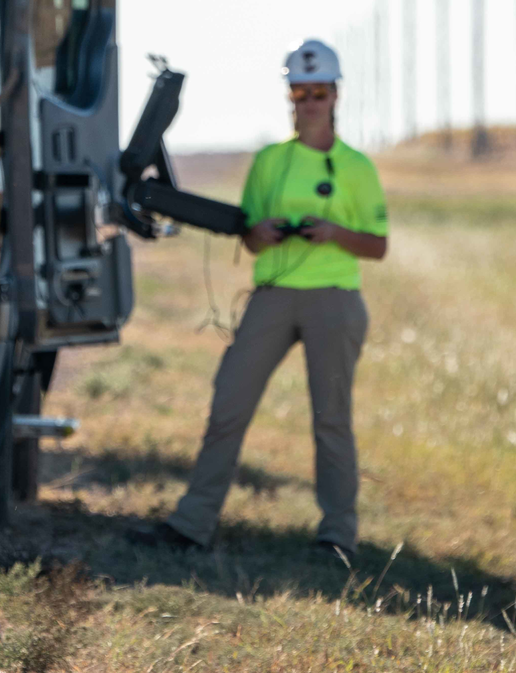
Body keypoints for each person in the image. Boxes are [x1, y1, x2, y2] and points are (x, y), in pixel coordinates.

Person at [129, 39, 388, 560]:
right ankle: (192, 524)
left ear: (335, 95)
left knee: (331, 419)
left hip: (333, 300)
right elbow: (247, 235)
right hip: (272, 297)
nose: (308, 101)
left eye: (318, 92)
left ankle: (338, 536)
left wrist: (334, 232)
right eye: (299, 91)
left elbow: (378, 245)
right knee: (228, 404)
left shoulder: (357, 166)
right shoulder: (269, 161)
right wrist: (262, 232)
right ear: (289, 95)